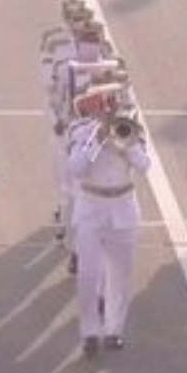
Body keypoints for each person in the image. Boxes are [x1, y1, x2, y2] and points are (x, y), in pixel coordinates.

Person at [67, 83, 150, 359]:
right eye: (104, 105)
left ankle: (114, 329)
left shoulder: (132, 130)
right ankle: (89, 332)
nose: (109, 109)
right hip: (91, 207)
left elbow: (144, 166)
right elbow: (75, 169)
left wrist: (125, 146)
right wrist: (97, 140)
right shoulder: (80, 132)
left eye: (112, 104)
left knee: (121, 275)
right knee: (88, 275)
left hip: (123, 207)